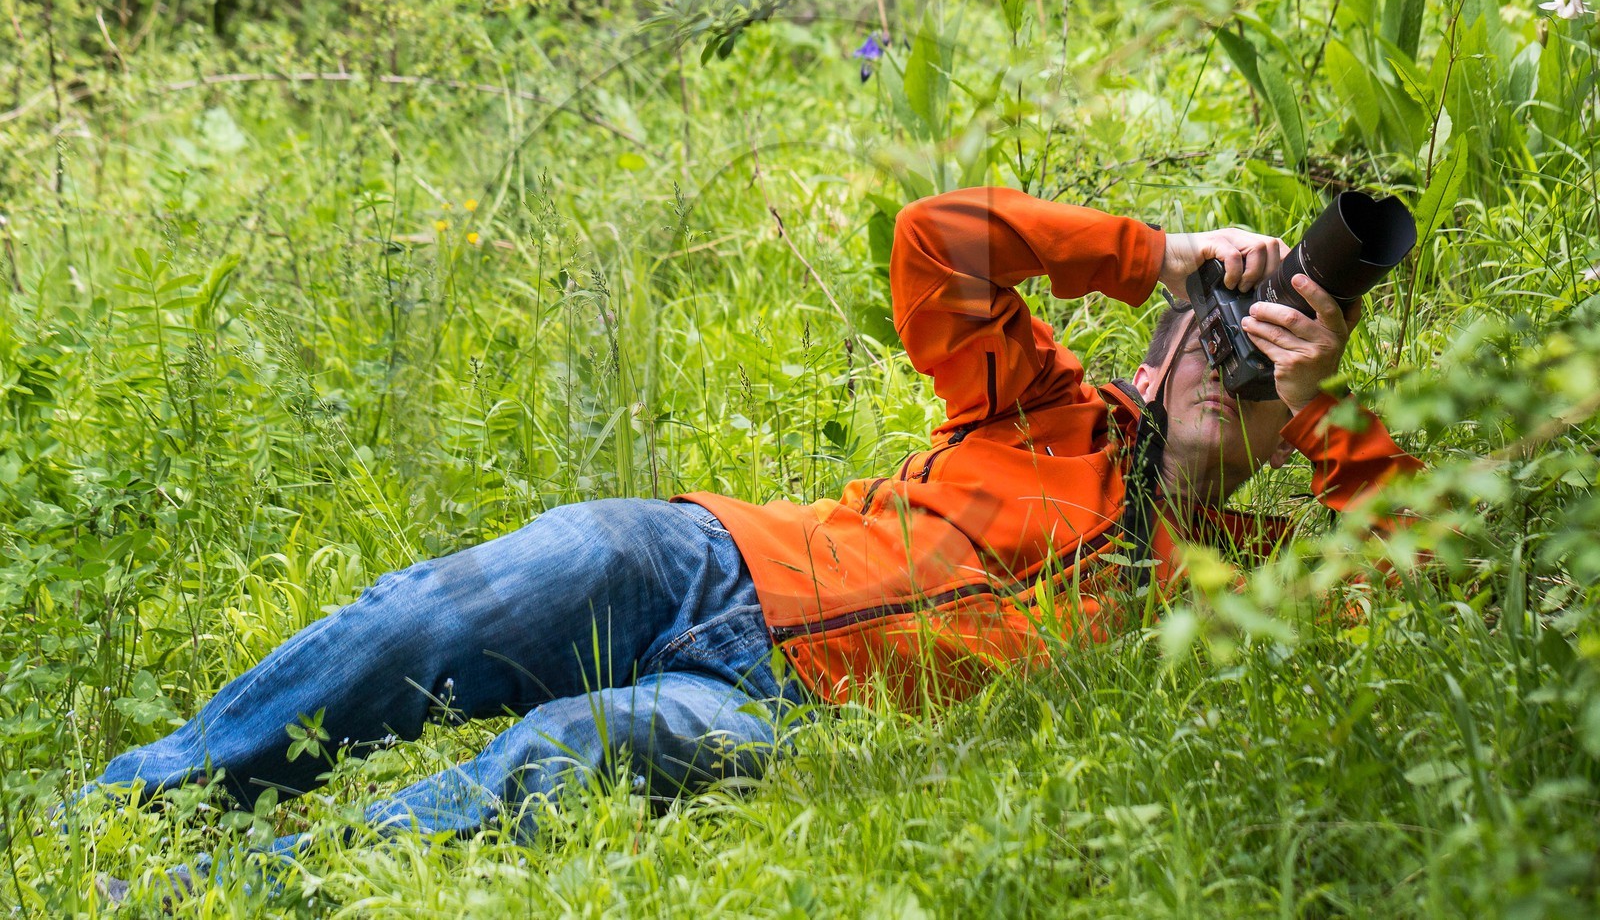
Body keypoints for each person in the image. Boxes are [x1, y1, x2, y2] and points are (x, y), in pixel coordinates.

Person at [74, 186, 1420, 894]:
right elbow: (933, 242)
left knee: (575, 752)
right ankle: (130, 809)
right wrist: (1156, 253)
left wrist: (1327, 404)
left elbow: (1430, 580)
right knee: (445, 615)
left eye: (1263, 382)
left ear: (1284, 441)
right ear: (1162, 347)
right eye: (1220, 345)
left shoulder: (1236, 584)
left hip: (790, 705)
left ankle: (242, 887)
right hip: (713, 560)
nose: (1231, 376)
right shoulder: (1048, 404)